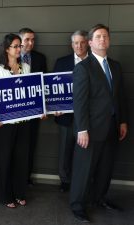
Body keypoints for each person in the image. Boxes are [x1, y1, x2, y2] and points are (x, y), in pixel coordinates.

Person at [70, 24, 127, 223]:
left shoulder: (116, 66)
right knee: (84, 170)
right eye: (98, 36)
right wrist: (82, 129)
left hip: (112, 127)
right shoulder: (83, 68)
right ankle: (77, 206)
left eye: (105, 36)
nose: (103, 39)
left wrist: (123, 121)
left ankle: (99, 198)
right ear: (91, 42)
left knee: (105, 169)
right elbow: (80, 102)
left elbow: (120, 97)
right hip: (91, 130)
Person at [0, 33, 30, 208]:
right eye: (16, 46)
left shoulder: (26, 67)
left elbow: (30, 92)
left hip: (23, 122)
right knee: (5, 160)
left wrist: (39, 109)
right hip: (5, 124)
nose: (19, 49)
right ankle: (5, 196)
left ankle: (20, 193)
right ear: (7, 49)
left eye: (20, 46)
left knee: (21, 160)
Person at [53, 30, 89, 192]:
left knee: (84, 152)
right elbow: (53, 88)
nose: (79, 46)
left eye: (82, 42)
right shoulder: (61, 62)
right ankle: (65, 181)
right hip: (65, 116)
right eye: (75, 43)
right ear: (71, 45)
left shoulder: (95, 62)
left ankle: (82, 181)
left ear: (87, 43)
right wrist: (54, 107)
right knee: (65, 150)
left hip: (88, 117)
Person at [18, 28, 47, 185]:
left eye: (33, 40)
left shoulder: (40, 58)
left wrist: (43, 107)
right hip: (15, 111)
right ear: (20, 41)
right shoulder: (11, 58)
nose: (31, 43)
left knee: (30, 145)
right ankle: (15, 176)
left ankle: (26, 177)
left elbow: (44, 85)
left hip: (34, 110)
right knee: (17, 145)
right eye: (27, 39)